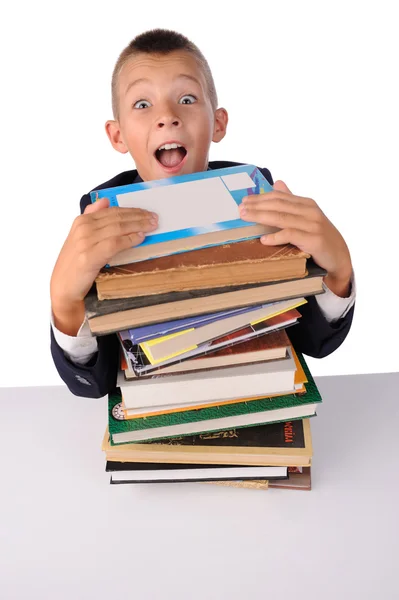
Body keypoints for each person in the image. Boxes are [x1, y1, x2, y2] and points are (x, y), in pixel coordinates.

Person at [50, 28, 355, 399]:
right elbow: (93, 385)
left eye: (188, 98)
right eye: (142, 105)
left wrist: (338, 272)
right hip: (153, 411)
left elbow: (314, 342)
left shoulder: (262, 196)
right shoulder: (98, 221)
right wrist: (65, 305)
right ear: (117, 136)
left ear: (219, 123)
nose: (167, 117)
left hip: (257, 398)